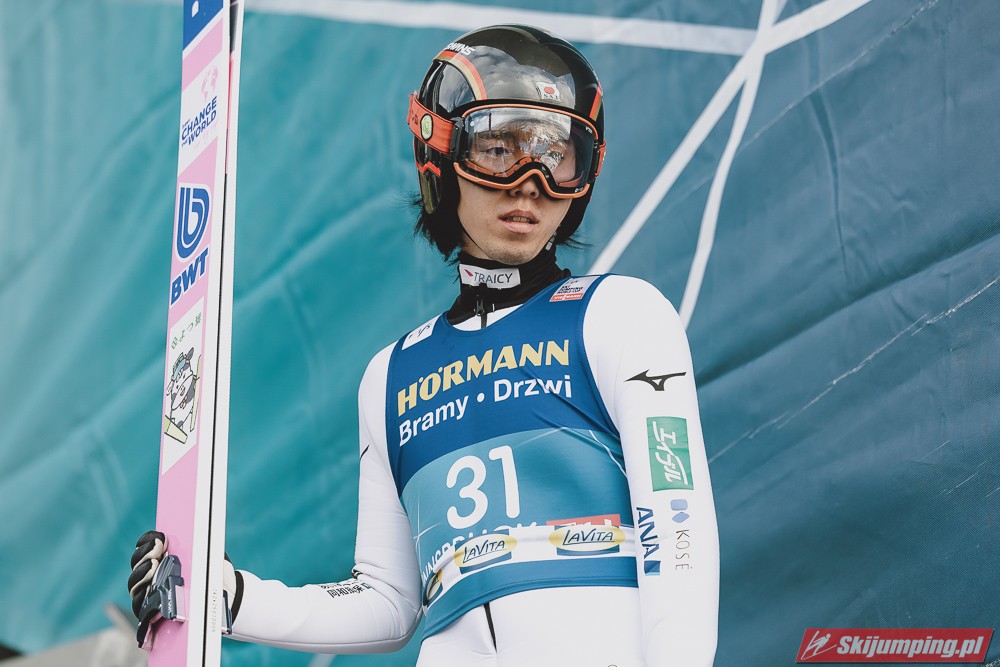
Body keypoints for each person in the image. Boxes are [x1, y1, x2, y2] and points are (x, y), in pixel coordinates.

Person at [129, 24, 719, 666]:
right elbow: (386, 601)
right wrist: (228, 598)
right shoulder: (391, 376)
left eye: (558, 154)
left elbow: (678, 534)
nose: (531, 181)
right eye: (498, 147)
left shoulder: (621, 316)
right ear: (440, 153)